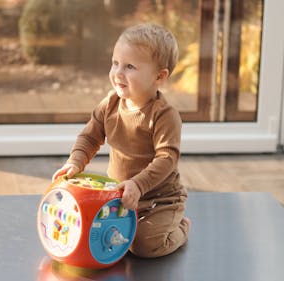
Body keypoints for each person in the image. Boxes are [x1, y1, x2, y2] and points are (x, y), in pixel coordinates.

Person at [52, 23, 190, 258]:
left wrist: (138, 184)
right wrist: (76, 162)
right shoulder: (110, 104)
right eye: (115, 63)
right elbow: (90, 135)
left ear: (159, 76)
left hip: (160, 199)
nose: (117, 73)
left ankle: (182, 226)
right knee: (88, 233)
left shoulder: (165, 115)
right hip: (118, 195)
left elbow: (167, 159)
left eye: (129, 66)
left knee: (144, 246)